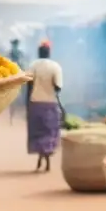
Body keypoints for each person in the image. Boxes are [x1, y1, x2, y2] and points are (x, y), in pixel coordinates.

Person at [25, 40, 64, 173]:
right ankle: (46, 160)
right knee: (49, 132)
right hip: (50, 103)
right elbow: (58, 87)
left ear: (39, 52)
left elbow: (28, 86)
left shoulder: (32, 66)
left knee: (38, 132)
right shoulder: (55, 67)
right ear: (49, 52)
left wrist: (27, 104)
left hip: (35, 102)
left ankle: (40, 161)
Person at [7, 39, 26, 124]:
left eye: (15, 45)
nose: (14, 46)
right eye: (14, 45)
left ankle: (13, 117)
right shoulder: (9, 54)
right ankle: (11, 117)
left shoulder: (20, 54)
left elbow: (23, 64)